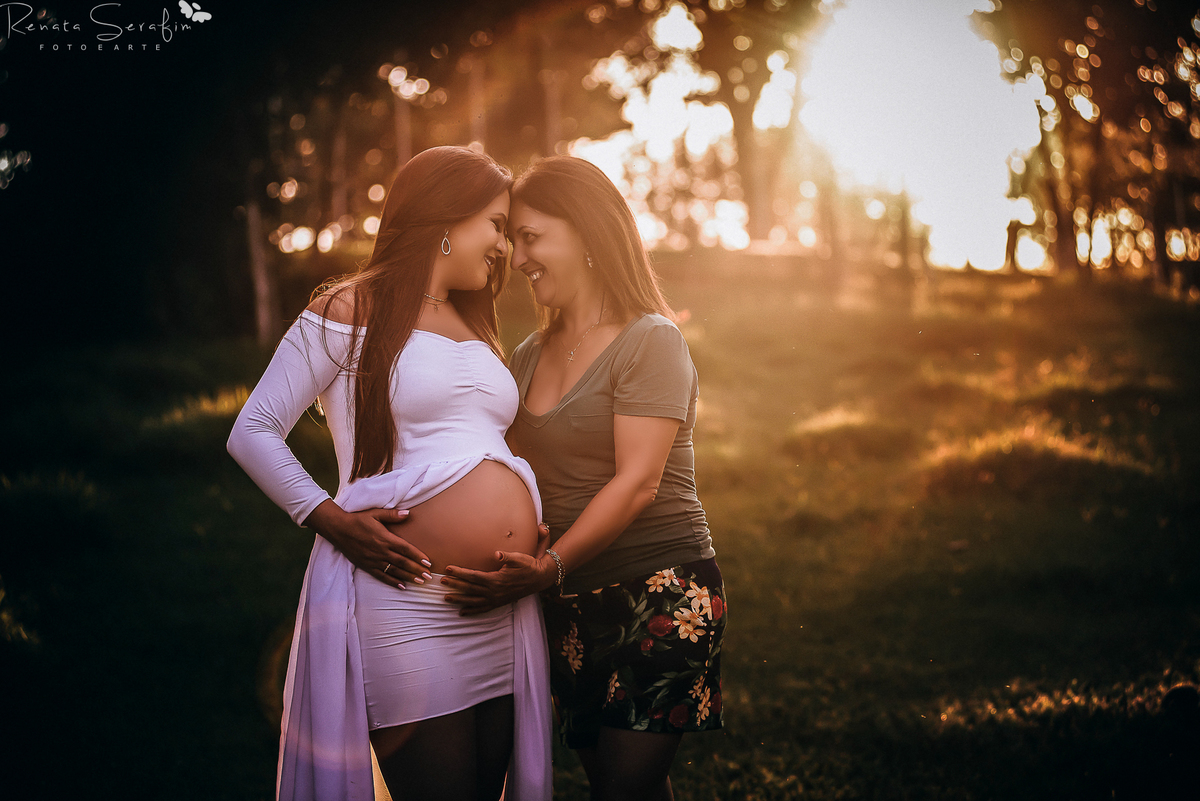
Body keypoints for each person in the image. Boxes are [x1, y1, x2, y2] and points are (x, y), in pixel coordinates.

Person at [227, 146, 552, 801]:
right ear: (446, 216)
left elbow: (477, 442)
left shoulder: (473, 320)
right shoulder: (348, 307)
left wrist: (529, 527)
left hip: (498, 606)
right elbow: (253, 429)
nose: (504, 247)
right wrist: (331, 519)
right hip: (406, 598)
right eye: (495, 225)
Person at [441, 156, 726, 801]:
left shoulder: (650, 340)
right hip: (568, 603)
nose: (516, 258)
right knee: (624, 787)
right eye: (513, 240)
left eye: (531, 238)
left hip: (660, 592)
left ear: (588, 234)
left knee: (623, 791)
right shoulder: (528, 355)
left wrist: (549, 567)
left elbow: (638, 482)